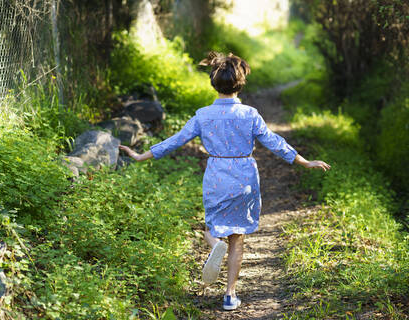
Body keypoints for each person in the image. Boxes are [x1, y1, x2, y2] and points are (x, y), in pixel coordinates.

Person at [119, 51, 331, 311]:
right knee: (237, 237)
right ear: (240, 83)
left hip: (217, 174)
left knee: (211, 227)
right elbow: (275, 142)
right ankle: (230, 295)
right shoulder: (250, 114)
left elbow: (175, 140)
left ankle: (214, 244)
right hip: (244, 178)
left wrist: (141, 155)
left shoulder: (203, 115)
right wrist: (303, 161)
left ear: (214, 82)